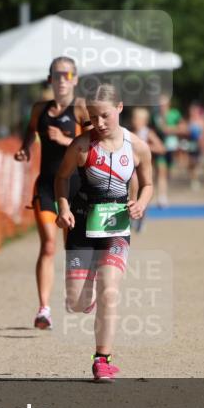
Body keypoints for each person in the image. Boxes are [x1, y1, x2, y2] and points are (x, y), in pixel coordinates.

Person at [55, 84, 153, 382]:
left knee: (110, 291)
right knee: (77, 303)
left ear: (120, 108)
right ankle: (88, 299)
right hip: (84, 223)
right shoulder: (81, 146)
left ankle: (102, 359)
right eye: (93, 117)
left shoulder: (137, 146)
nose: (98, 124)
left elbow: (147, 184)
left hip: (117, 226)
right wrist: (63, 207)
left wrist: (141, 204)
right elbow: (62, 178)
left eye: (105, 116)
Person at [14, 57, 90, 330]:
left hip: (75, 188)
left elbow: (93, 144)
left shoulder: (81, 109)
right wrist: (26, 149)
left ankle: (75, 293)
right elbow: (30, 132)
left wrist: (66, 141)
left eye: (67, 74)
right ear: (49, 79)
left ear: (75, 78)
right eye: (57, 75)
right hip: (47, 185)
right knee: (48, 244)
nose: (61, 79)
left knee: (73, 247)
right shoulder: (39, 109)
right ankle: (44, 309)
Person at [130, 107, 165, 233]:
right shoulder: (129, 133)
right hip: (131, 170)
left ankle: (142, 219)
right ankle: (132, 217)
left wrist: (144, 146)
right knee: (132, 191)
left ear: (144, 121)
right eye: (133, 118)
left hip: (144, 170)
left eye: (137, 119)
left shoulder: (147, 133)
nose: (134, 121)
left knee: (143, 195)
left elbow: (161, 148)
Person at [154, 93, 184, 207]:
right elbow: (152, 130)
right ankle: (162, 197)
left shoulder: (175, 114)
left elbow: (183, 128)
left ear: (168, 104)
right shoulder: (155, 116)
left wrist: (171, 130)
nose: (162, 106)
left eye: (164, 104)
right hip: (160, 148)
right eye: (160, 104)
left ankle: (164, 192)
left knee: (168, 173)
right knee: (161, 172)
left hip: (172, 147)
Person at [186, 102, 204, 191]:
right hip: (191, 143)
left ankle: (195, 179)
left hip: (198, 144)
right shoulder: (190, 121)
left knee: (196, 161)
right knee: (190, 163)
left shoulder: (202, 121)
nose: (192, 113)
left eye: (193, 111)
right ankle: (194, 177)